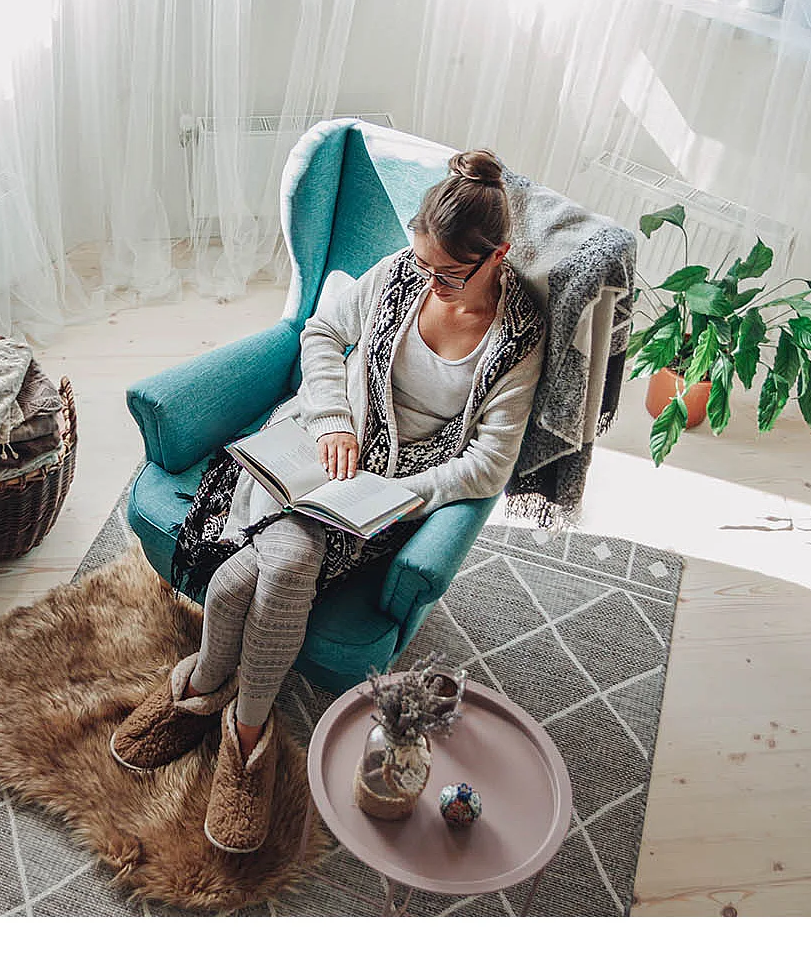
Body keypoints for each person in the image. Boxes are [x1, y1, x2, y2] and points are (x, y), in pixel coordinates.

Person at [110, 148, 547, 854]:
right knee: (279, 566)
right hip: (319, 440)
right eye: (422, 263)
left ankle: (216, 707)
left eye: (448, 274)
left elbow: (490, 463)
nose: (429, 283)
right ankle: (237, 725)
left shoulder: (518, 337)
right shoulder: (403, 272)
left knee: (257, 576)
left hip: (395, 489)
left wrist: (400, 494)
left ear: (496, 256)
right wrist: (333, 421)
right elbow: (321, 331)